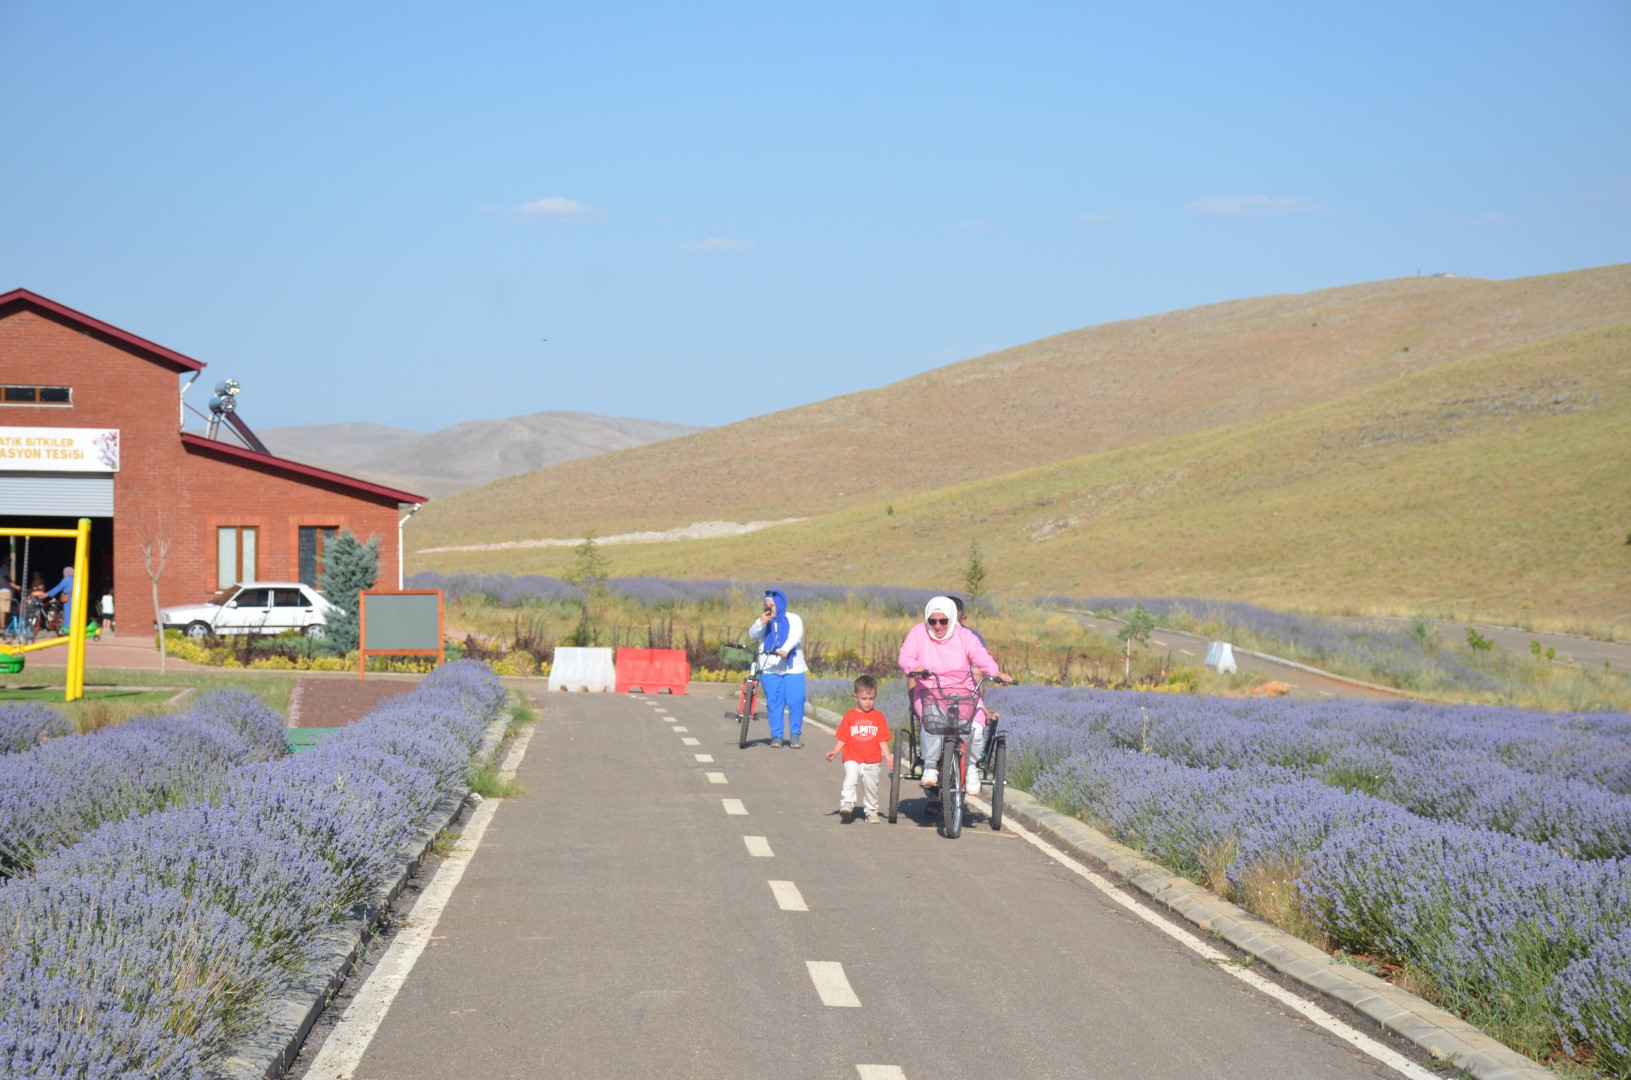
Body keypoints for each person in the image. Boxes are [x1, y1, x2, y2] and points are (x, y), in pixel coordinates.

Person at [899, 595, 1010, 798]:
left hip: (964, 694)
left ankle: (971, 768)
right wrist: (914, 668)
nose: (938, 626)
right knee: (932, 722)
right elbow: (905, 655)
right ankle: (931, 766)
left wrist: (995, 672)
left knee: (976, 730)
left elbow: (980, 657)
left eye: (943, 621)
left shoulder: (966, 637)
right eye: (932, 621)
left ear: (952, 619)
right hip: (930, 691)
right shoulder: (918, 633)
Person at [825, 675, 894, 822]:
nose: (868, 702)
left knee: (871, 788)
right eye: (864, 699)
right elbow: (843, 737)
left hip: (872, 760)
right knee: (850, 778)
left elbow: (882, 739)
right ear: (855, 697)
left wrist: (888, 756)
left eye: (872, 698)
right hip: (852, 757)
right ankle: (847, 803)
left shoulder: (878, 717)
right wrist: (835, 752)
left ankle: (871, 810)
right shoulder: (850, 716)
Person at [748, 589, 807, 748]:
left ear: (780, 605)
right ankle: (777, 736)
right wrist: (760, 623)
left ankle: (795, 735)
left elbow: (796, 636)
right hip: (769, 667)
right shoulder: (763, 621)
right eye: (766, 605)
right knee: (774, 703)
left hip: (792, 666)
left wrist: (785, 649)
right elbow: (753, 635)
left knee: (796, 700)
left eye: (772, 605)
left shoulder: (793, 619)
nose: (769, 608)